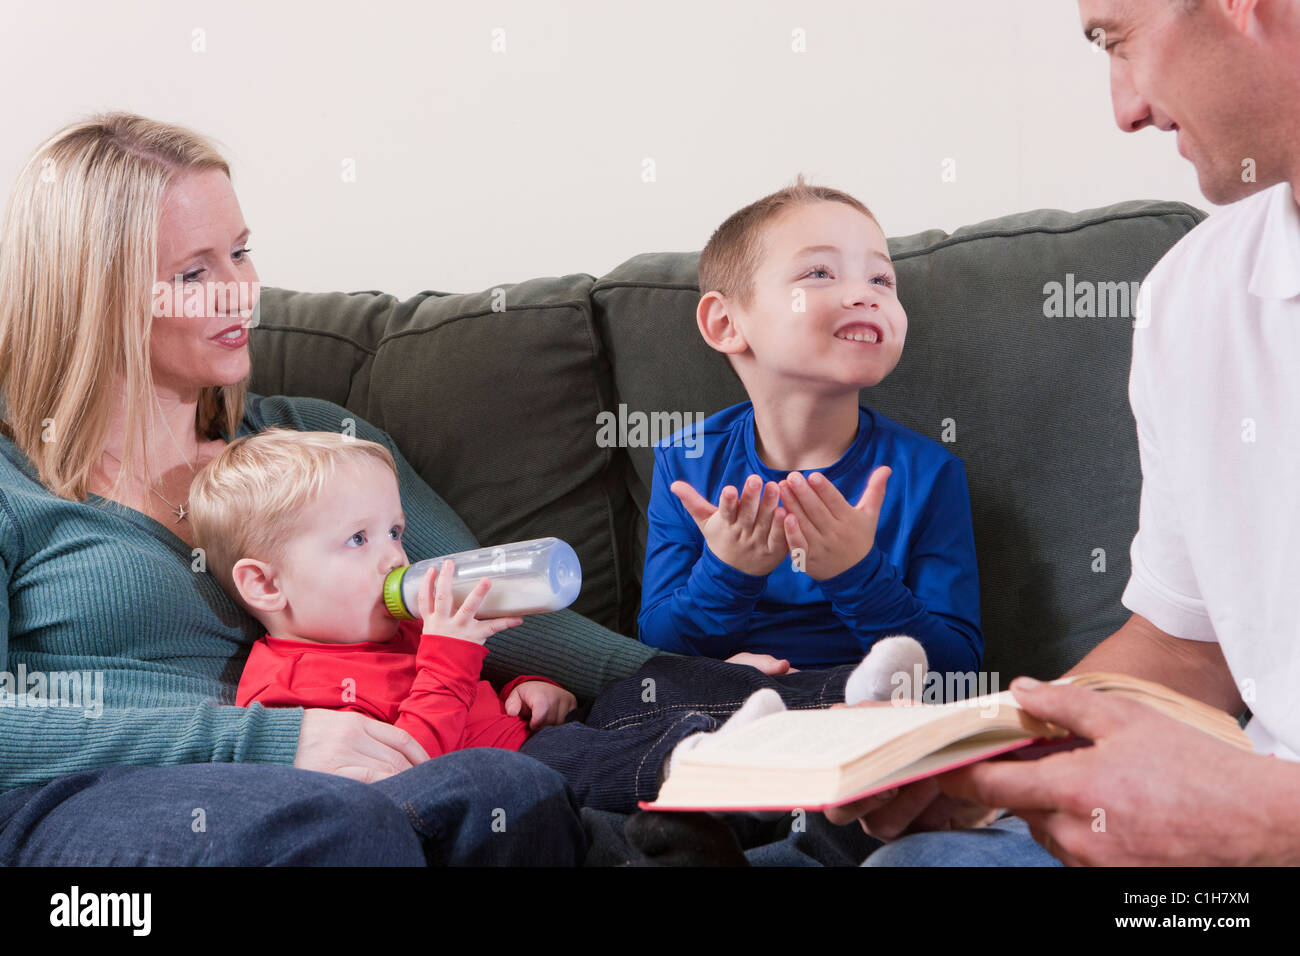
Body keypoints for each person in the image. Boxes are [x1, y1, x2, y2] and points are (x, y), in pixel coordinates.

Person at [0, 111, 666, 865]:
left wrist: (672, 681)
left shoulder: (316, 447)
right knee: (343, 828)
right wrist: (275, 739)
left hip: (341, 776)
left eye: (241, 254)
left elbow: (473, 593)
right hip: (86, 797)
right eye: (195, 273)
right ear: (91, 293)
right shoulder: (10, 483)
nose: (241, 294)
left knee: (504, 786)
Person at [835, 0, 1300, 866]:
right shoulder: (1189, 300)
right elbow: (1189, 648)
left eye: (1117, 40)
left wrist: (1267, 820)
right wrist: (987, 751)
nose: (1124, 108)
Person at [190, 426, 922, 822]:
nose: (394, 557)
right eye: (358, 541)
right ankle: (726, 756)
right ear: (265, 583)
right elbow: (411, 765)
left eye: (394, 531)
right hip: (505, 784)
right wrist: (450, 655)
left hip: (542, 737)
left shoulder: (399, 629)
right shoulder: (283, 694)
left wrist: (534, 684)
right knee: (584, 760)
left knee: (634, 699)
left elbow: (478, 689)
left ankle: (849, 698)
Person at [637, 178, 983, 676]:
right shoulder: (686, 462)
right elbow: (657, 649)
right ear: (726, 324)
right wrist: (729, 571)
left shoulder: (929, 473)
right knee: (627, 703)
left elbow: (957, 671)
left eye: (881, 280)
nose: (864, 295)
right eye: (820, 272)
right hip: (722, 701)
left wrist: (856, 573)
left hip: (862, 708)